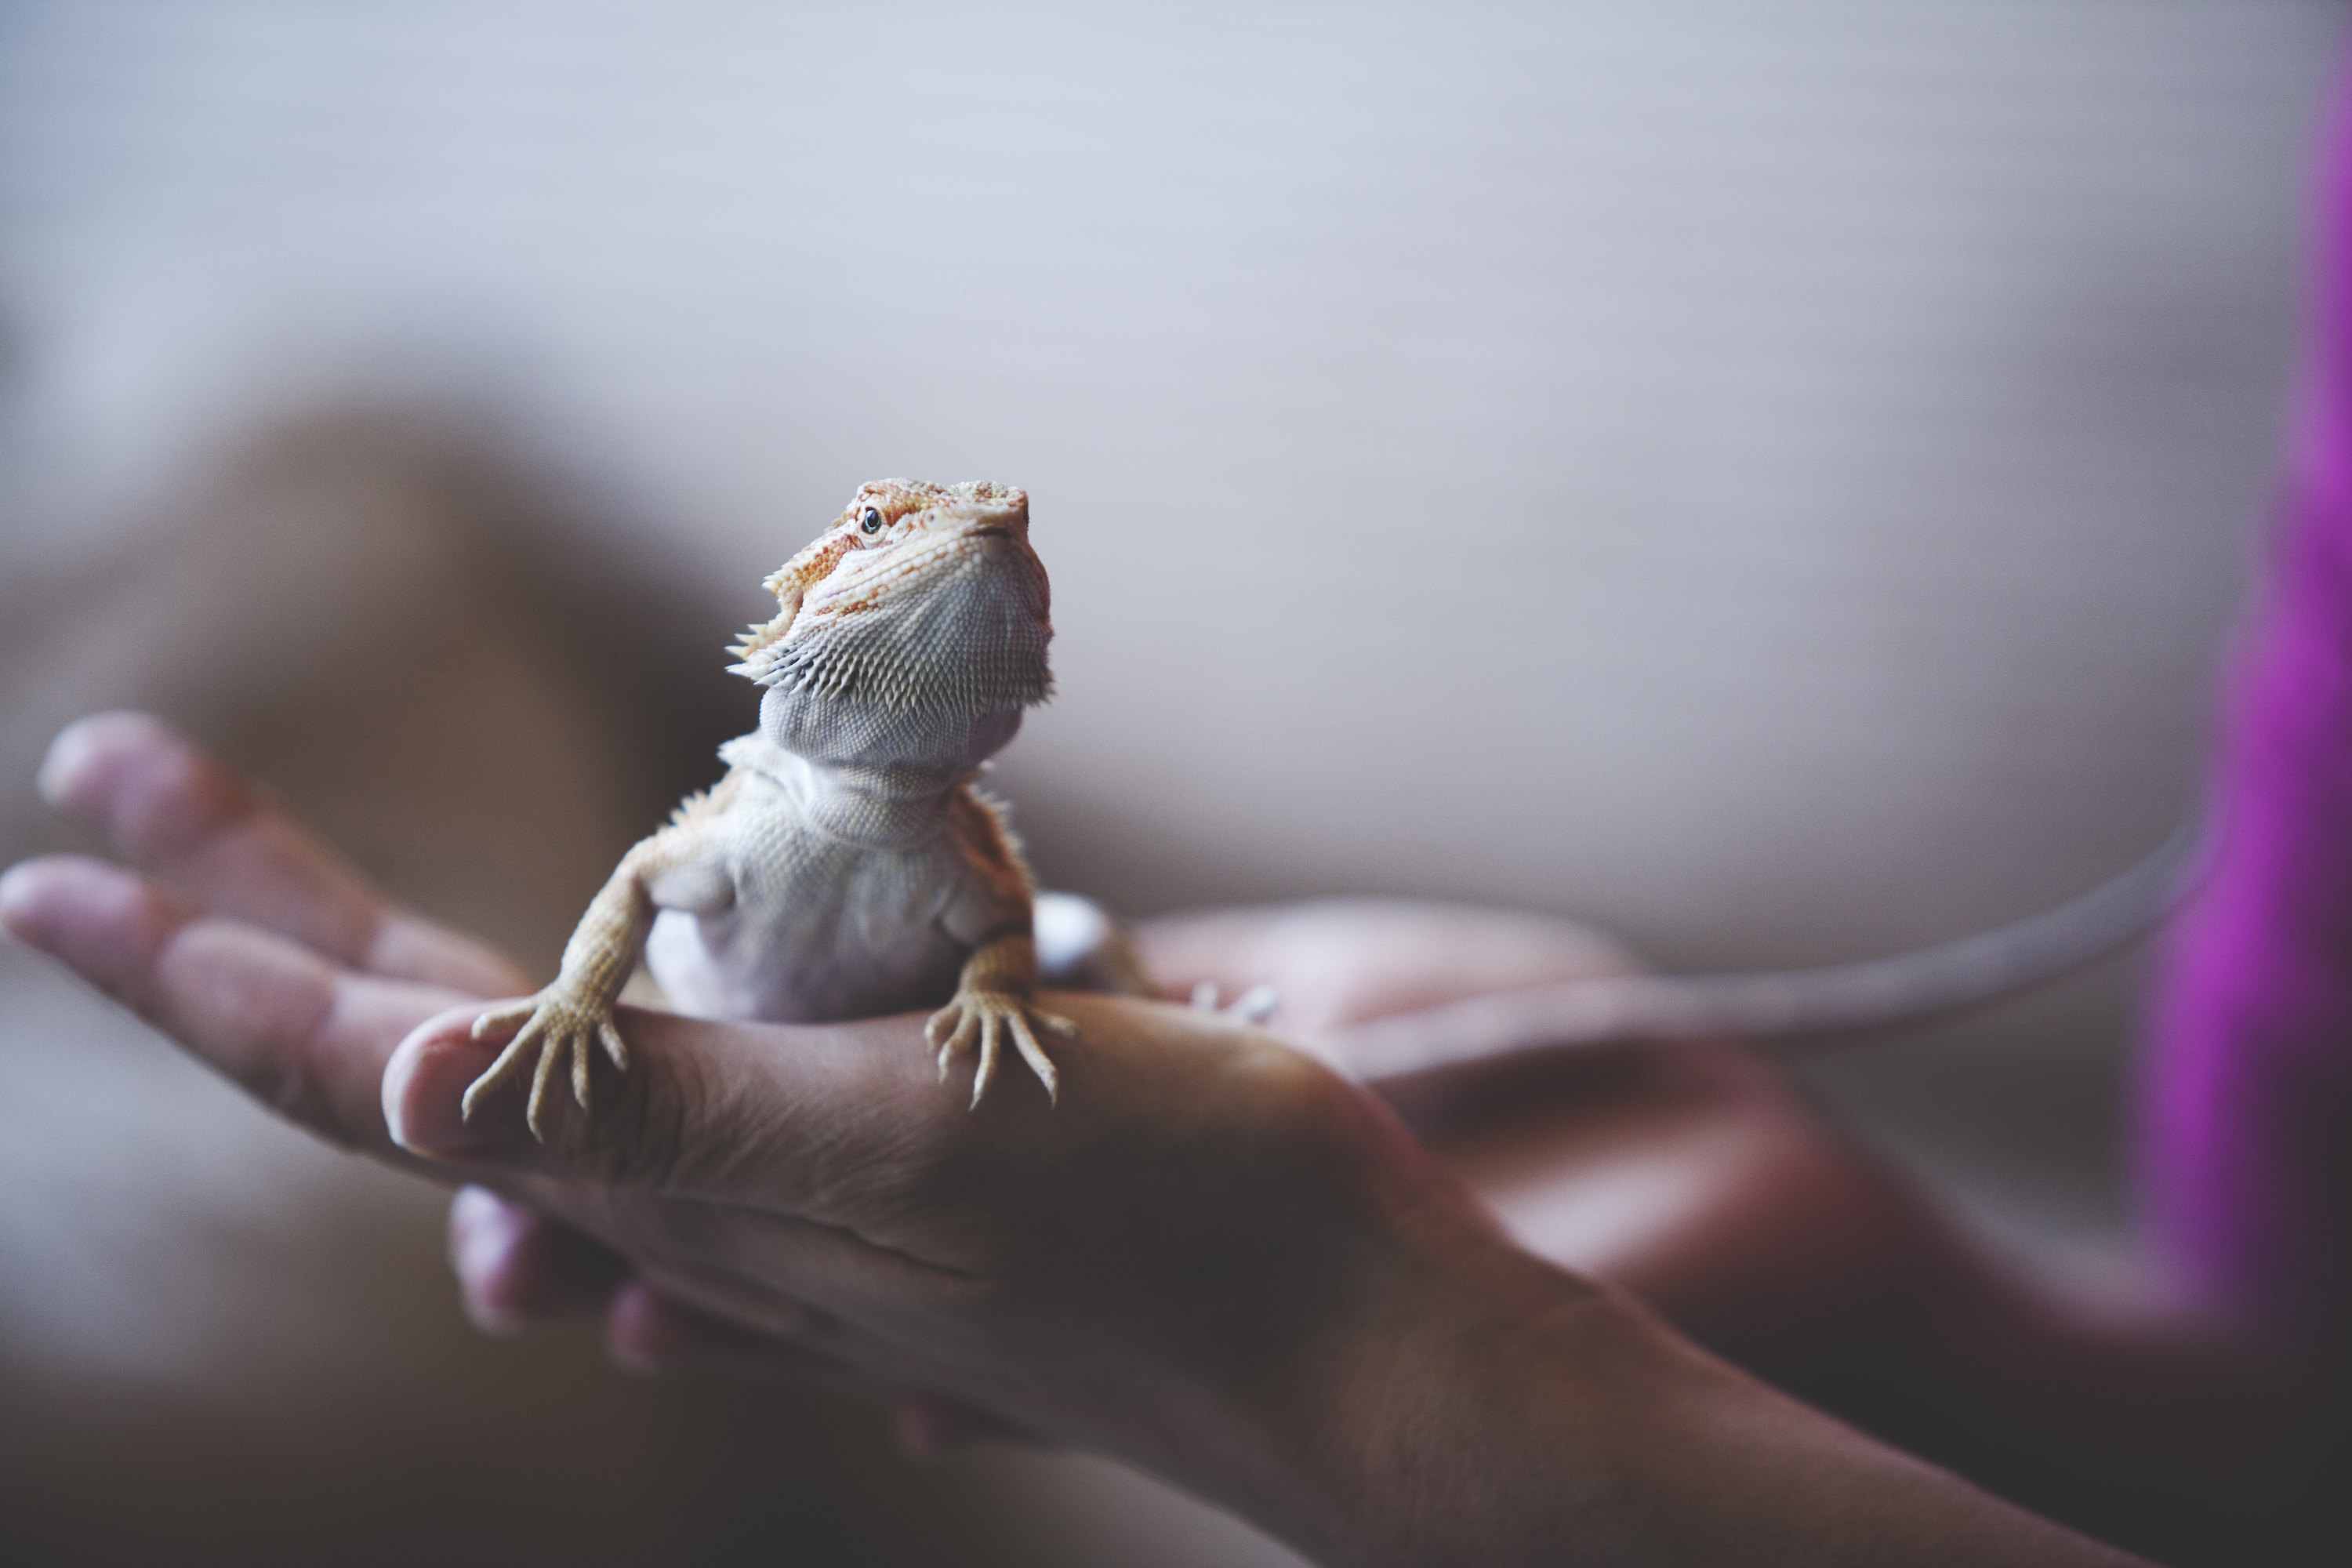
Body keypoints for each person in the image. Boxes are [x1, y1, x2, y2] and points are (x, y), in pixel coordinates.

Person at [0, 711, 2145, 1568]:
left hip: (1069, 1007)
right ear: (812, 616)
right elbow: (648, 907)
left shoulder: (964, 860)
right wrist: (567, 1008)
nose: (974, 542)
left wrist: (1406, 1370)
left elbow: (1011, 936)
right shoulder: (739, 822)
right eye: (904, 535)